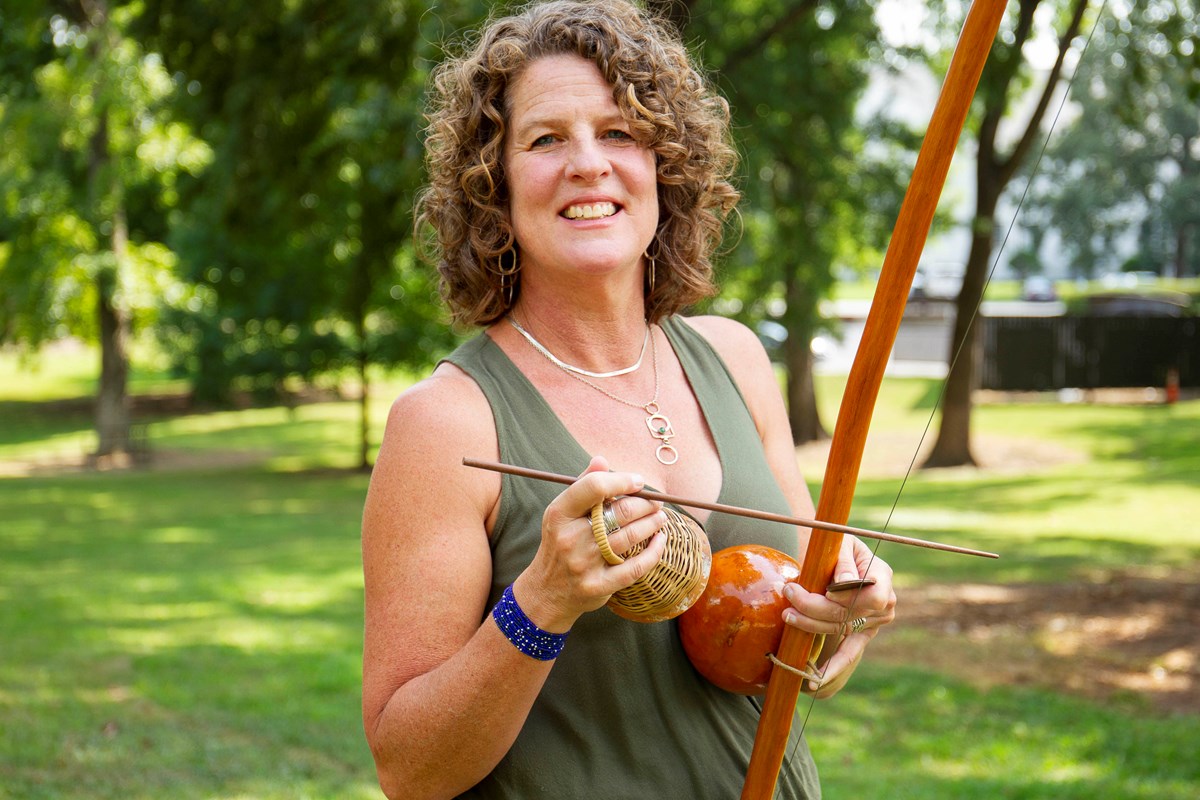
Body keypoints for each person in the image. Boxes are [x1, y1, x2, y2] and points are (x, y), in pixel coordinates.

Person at [360, 1, 897, 797]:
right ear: (493, 186)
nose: (588, 163)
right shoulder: (444, 423)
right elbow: (410, 770)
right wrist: (541, 600)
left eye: (619, 132)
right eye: (546, 140)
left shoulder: (735, 358)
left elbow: (794, 624)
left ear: (663, 164)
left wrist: (846, 612)